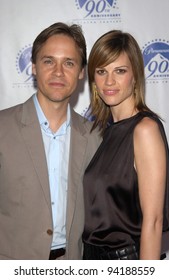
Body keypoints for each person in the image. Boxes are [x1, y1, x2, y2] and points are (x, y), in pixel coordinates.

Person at [0, 22, 101, 260]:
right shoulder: (3, 128)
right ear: (34, 67)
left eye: (68, 62)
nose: (58, 72)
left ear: (81, 72)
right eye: (48, 61)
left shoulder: (95, 136)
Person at [82, 30, 169, 260]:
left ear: (135, 76)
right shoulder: (108, 132)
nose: (109, 81)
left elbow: (153, 221)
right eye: (102, 71)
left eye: (119, 71)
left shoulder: (144, 129)